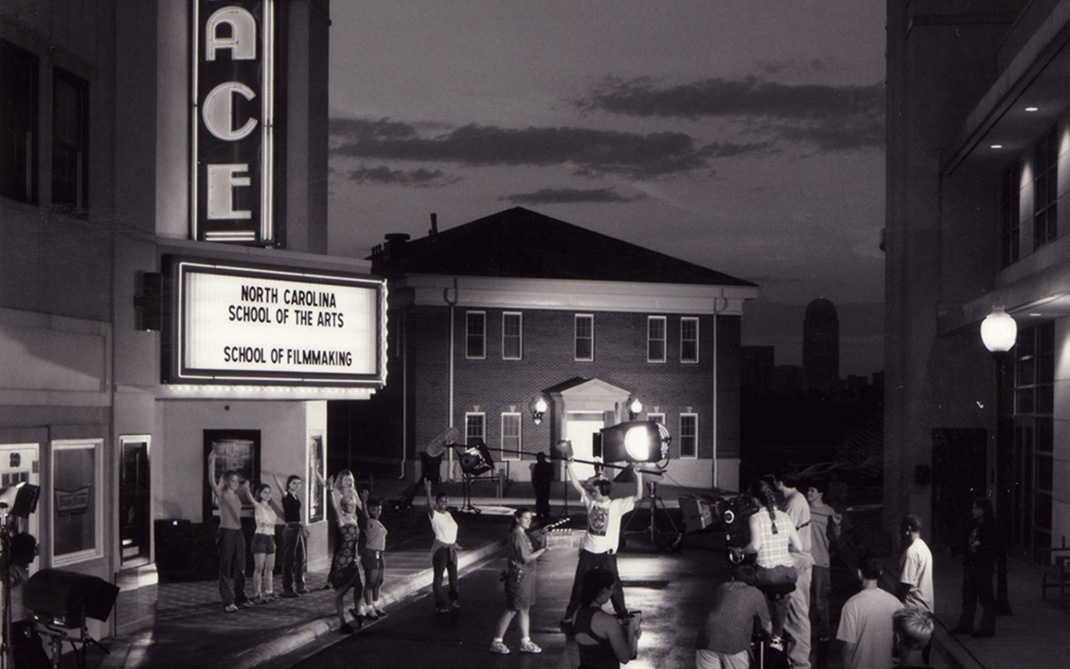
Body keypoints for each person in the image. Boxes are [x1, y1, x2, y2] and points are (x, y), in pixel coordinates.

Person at [560, 452, 642, 631]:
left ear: (603, 491)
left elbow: (637, 497)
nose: (592, 493)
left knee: (614, 583)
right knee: (580, 583)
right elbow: (577, 486)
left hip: (607, 553)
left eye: (595, 491)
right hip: (589, 550)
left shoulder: (616, 505)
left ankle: (622, 613)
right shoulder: (591, 503)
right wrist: (569, 466)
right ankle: (569, 614)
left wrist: (639, 475)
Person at [742, 478, 803, 652]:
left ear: (755, 500)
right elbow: (799, 547)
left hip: (767, 572)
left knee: (755, 589)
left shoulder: (755, 518)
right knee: (782, 598)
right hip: (789, 573)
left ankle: (762, 630)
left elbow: (754, 546)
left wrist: (741, 551)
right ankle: (777, 637)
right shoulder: (784, 516)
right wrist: (781, 545)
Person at [769, 469, 813, 669]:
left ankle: (800, 663)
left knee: (797, 613)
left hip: (797, 560)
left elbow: (782, 533)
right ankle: (794, 659)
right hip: (794, 559)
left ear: (779, 482)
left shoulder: (794, 503)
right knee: (792, 612)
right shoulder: (794, 499)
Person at [490, 508, 549, 655]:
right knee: (512, 609)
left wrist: (544, 538)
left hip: (526, 576)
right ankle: (497, 641)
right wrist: (544, 550)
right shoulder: (517, 535)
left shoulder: (524, 534)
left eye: (530, 518)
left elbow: (536, 547)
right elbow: (526, 557)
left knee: (524, 609)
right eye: (526, 518)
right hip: (519, 577)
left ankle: (525, 641)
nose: (529, 521)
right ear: (517, 519)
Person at [695, 564, 771, 669]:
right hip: (734, 646)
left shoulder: (722, 587)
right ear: (753, 582)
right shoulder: (756, 594)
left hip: (706, 641)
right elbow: (767, 626)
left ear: (733, 578)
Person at [835, 553, 901, 669]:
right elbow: (902, 640)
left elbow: (849, 647)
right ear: (880, 572)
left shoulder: (852, 605)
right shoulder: (894, 602)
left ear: (859, 573)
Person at [207, 451, 252, 612]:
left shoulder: (236, 496)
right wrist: (211, 462)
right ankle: (227, 601)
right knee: (225, 567)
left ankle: (240, 597)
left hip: (238, 532)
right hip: (226, 532)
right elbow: (212, 481)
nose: (235, 483)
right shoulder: (222, 495)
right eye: (232, 480)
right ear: (226, 481)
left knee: (240, 566)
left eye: (237, 480)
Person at [572, 567, 641, 668]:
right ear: (604, 589)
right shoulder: (608, 621)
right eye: (612, 588)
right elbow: (625, 658)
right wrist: (632, 630)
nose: (612, 593)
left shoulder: (577, 614)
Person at [806, 478, 842, 667]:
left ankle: (824, 635)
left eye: (812, 490)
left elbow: (835, 538)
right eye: (809, 490)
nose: (809, 493)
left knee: (821, 602)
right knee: (805, 600)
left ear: (820, 493)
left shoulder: (829, 513)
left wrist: (836, 525)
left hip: (820, 563)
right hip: (806, 562)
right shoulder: (803, 508)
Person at [950, 499, 997, 637]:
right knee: (968, 596)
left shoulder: (990, 528)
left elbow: (992, 548)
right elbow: (967, 544)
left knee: (985, 597)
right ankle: (965, 625)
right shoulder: (973, 526)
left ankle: (987, 627)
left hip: (982, 566)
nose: (973, 511)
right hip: (970, 565)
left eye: (976, 508)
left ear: (983, 510)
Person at [4, 533, 49, 668]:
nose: (34, 553)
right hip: (16, 625)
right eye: (32, 549)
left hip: (24, 622)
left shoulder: (22, 570)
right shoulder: (14, 571)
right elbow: (7, 581)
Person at [897, 513, 934, 664]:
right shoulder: (923, 547)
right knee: (924, 652)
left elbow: (906, 583)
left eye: (901, 530)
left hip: (913, 607)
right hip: (926, 606)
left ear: (908, 529)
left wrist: (897, 602)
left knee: (911, 653)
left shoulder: (912, 552)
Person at [327, 492, 364, 634]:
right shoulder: (341, 519)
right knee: (340, 592)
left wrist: (357, 555)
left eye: (353, 504)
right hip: (341, 561)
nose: (351, 507)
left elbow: (355, 541)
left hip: (352, 560)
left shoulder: (354, 519)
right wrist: (330, 491)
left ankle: (357, 611)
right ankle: (343, 622)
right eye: (349, 504)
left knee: (359, 587)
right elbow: (334, 507)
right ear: (343, 506)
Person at [425, 478, 461, 614]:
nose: (443, 504)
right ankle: (440, 603)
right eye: (441, 501)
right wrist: (428, 491)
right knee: (439, 577)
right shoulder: (434, 515)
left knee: (453, 578)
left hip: (451, 549)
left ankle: (453, 597)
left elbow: (450, 530)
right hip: (441, 549)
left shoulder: (449, 514)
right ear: (437, 503)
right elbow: (429, 507)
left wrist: (454, 543)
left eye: (446, 501)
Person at [272, 473, 309, 598]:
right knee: (289, 559)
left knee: (301, 557)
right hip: (290, 528)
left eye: (299, 483)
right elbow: (280, 489)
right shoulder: (286, 495)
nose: (297, 485)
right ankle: (287, 588)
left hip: (297, 527)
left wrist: (303, 527)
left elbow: (298, 514)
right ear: (288, 484)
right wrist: (275, 477)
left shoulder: (296, 496)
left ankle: (300, 585)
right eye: (294, 483)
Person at [249, 483, 284, 604]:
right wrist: (246, 489)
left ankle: (269, 591)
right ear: (259, 494)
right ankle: (257, 593)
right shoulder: (258, 506)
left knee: (270, 567)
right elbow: (251, 499)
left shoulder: (272, 507)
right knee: (259, 567)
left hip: (270, 537)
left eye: (269, 492)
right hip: (260, 537)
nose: (268, 495)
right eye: (265, 492)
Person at [358, 491, 389, 618]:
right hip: (370, 553)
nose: (377, 512)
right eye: (374, 509)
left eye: (379, 509)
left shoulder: (378, 522)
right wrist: (364, 502)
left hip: (379, 554)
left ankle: (376, 604)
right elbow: (365, 516)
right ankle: (369, 607)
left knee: (379, 581)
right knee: (370, 582)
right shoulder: (368, 521)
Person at [530, 451, 554, 518]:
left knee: (544, 499)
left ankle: (545, 512)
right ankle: (540, 512)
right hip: (539, 485)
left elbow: (551, 475)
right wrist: (535, 483)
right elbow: (534, 476)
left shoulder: (546, 466)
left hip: (544, 484)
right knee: (540, 499)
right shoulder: (538, 466)